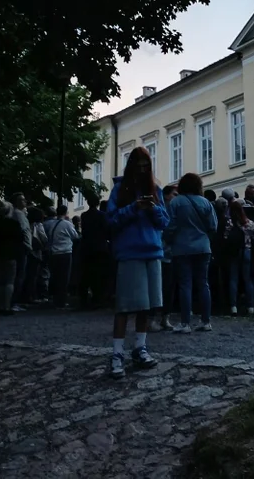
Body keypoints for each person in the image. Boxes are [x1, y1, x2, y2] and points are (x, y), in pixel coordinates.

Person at [106, 147, 169, 379]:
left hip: (152, 252)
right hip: (130, 252)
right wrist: (134, 207)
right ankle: (117, 353)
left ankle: (140, 347)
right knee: (124, 306)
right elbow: (111, 219)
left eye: (146, 165)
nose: (143, 169)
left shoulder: (156, 190)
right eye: (138, 164)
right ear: (131, 164)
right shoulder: (120, 190)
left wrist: (153, 208)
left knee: (147, 305)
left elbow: (164, 222)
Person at [165, 173, 217, 333]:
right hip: (203, 247)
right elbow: (213, 226)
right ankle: (206, 321)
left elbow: (170, 225)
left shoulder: (176, 202)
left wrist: (168, 239)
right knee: (203, 284)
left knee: (185, 285)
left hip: (182, 248)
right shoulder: (206, 202)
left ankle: (185, 322)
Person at [0, 201, 25, 315]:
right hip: (10, 254)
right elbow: (20, 239)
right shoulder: (13, 224)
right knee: (9, 281)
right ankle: (7, 306)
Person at [152, 184, 179, 330]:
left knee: (169, 287)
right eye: (174, 194)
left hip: (170, 253)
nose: (176, 197)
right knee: (158, 287)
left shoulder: (174, 209)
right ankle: (153, 318)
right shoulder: (162, 209)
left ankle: (165, 317)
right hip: (160, 252)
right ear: (166, 195)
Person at [43, 205, 80, 308]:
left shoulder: (52, 224)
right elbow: (75, 236)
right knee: (64, 278)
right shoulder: (67, 224)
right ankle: (62, 301)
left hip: (54, 253)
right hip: (65, 252)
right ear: (66, 212)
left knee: (55, 276)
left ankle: (55, 299)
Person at [79, 193, 111, 309]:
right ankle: (98, 298)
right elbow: (107, 229)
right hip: (100, 247)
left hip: (87, 248)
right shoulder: (102, 216)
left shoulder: (84, 215)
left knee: (87, 273)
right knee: (99, 274)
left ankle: (85, 299)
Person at [228, 200, 254, 315]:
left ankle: (233, 306)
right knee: (248, 279)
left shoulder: (230, 223)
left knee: (233, 279)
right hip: (247, 251)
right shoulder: (250, 223)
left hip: (234, 252)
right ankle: (251, 306)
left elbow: (226, 237)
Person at [9, 192, 32, 312]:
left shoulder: (19, 213)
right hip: (22, 248)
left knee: (19, 275)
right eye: (22, 200)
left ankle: (16, 301)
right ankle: (14, 302)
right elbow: (24, 231)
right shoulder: (18, 214)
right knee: (19, 275)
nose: (25, 202)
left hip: (22, 247)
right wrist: (28, 246)